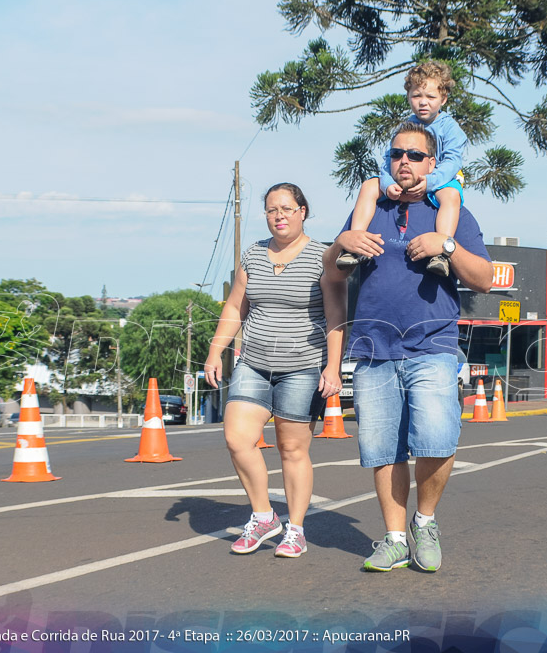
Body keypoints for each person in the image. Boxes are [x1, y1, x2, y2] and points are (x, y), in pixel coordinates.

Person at [324, 121, 494, 572]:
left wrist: (448, 244)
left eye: (415, 155)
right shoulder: (372, 206)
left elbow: (483, 278)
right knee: (384, 450)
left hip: (433, 344)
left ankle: (426, 520)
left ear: (432, 163)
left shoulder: (450, 209)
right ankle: (395, 539)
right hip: (374, 347)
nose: (405, 161)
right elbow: (333, 274)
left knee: (438, 438)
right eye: (397, 153)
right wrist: (342, 242)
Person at [203, 183, 345, 559]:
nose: (278, 215)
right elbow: (235, 308)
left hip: (302, 366)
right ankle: (264, 516)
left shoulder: (323, 257)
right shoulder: (252, 255)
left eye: (286, 208)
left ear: (302, 211)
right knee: (237, 438)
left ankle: (295, 529)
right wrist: (215, 352)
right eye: (270, 210)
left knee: (291, 449)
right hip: (253, 362)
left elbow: (336, 316)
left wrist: (333, 367)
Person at [335, 61, 466, 278]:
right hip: (403, 179)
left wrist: (431, 181)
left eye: (431, 97)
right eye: (416, 96)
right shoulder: (404, 127)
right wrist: (387, 185)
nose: (423, 102)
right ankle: (354, 244)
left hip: (441, 178)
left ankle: (441, 253)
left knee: (451, 195)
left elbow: (453, 161)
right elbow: (388, 161)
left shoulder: (450, 128)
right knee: (369, 186)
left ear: (443, 99)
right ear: (408, 96)